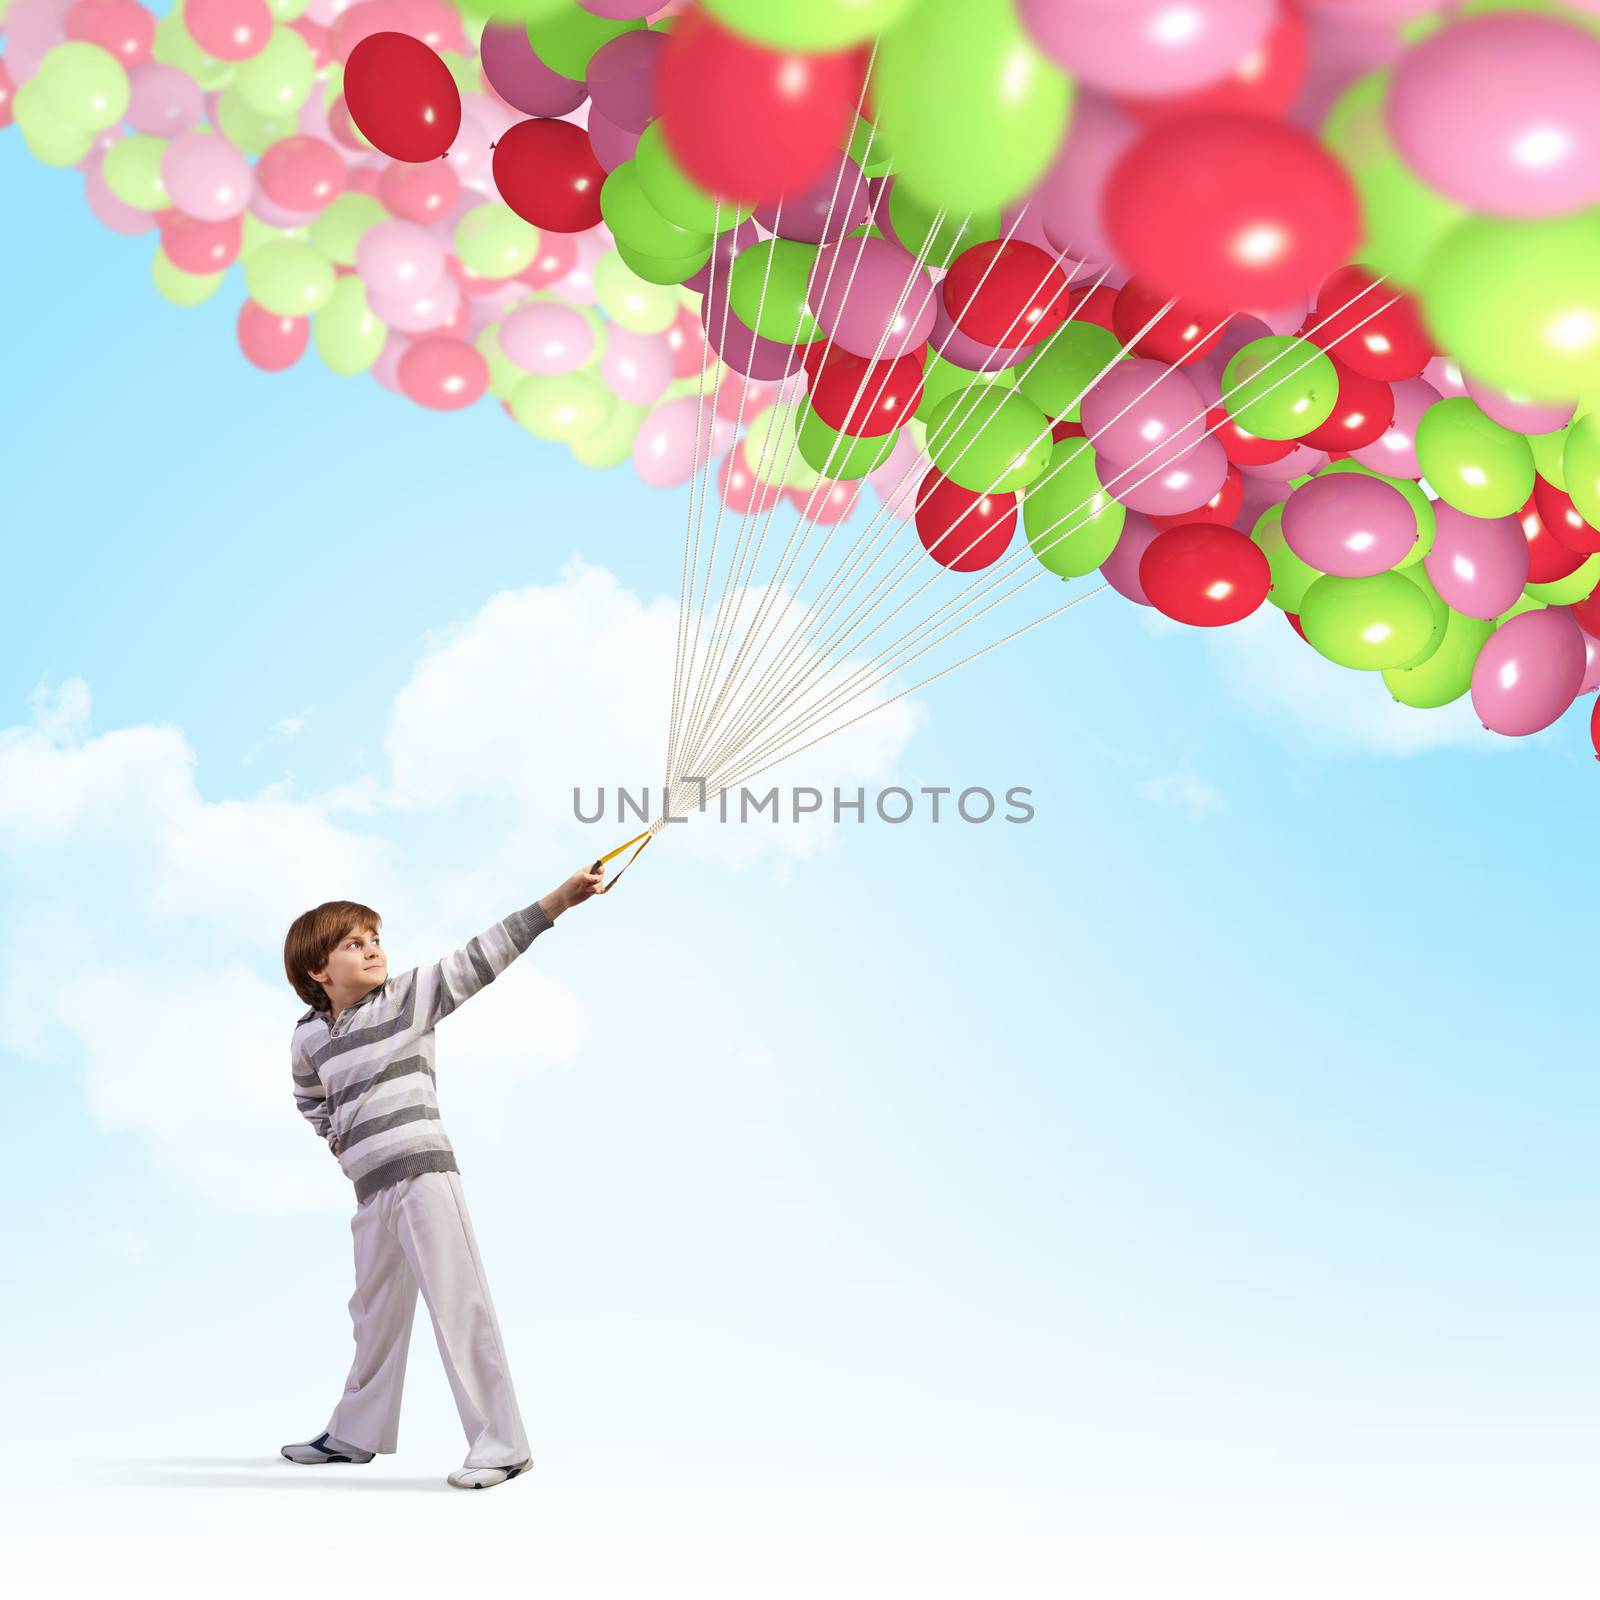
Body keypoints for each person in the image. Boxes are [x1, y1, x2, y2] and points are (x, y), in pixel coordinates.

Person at [278, 864, 603, 1490]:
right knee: (373, 1313)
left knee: (459, 1306)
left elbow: (484, 953)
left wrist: (561, 899)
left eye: (375, 937)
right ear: (318, 971)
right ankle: (355, 1434)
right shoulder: (308, 1037)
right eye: (354, 942)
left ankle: (502, 1446)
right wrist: (343, 1147)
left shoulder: (407, 997)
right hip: (370, 1189)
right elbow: (310, 1100)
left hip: (425, 1177)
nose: (373, 948)